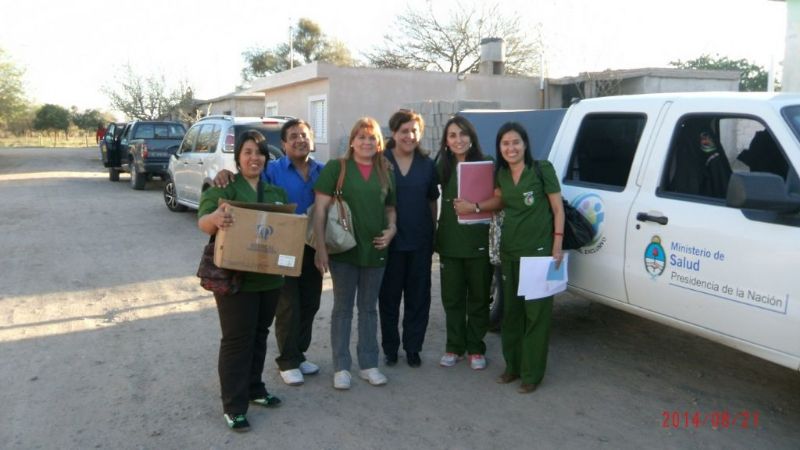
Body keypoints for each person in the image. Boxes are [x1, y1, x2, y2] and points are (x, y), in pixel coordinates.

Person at [214, 120, 324, 387]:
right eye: (293, 136)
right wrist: (224, 174)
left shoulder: (324, 170)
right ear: (284, 145)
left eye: (304, 135)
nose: (300, 140)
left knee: (310, 303)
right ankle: (287, 360)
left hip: (313, 246)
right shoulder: (272, 171)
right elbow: (247, 177)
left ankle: (298, 353)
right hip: (282, 247)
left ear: (313, 140)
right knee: (288, 305)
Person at [198, 130, 288, 432]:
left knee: (260, 334)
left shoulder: (276, 194)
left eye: (260, 152)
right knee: (237, 341)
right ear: (238, 157)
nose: (254, 158)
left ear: (266, 158)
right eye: (248, 152)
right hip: (236, 282)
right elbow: (203, 220)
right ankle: (233, 406)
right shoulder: (225, 188)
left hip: (269, 281)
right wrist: (217, 219)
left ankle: (254, 388)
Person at [467, 122, 564, 394]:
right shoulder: (501, 175)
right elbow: (498, 202)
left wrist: (557, 243)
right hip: (510, 253)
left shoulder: (542, 170)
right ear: (500, 148)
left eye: (515, 142)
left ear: (525, 144)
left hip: (539, 255)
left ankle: (532, 374)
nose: (511, 148)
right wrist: (473, 207)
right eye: (505, 143)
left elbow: (557, 208)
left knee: (536, 316)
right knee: (512, 314)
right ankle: (513, 367)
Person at [312, 117, 397, 390]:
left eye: (372, 138)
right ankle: (341, 366)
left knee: (369, 309)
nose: (367, 142)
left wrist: (392, 229)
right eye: (361, 137)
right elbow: (321, 210)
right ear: (352, 141)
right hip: (344, 250)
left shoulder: (385, 170)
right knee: (343, 309)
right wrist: (321, 250)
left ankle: (369, 364)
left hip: (376, 249)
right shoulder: (337, 168)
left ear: (379, 142)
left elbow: (390, 209)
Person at [378, 110, 439, 368]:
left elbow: (432, 201)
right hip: (389, 243)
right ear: (393, 133)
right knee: (389, 298)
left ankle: (413, 347)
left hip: (420, 242)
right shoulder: (381, 161)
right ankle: (391, 349)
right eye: (404, 131)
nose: (409, 136)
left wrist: (433, 232)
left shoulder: (427, 164)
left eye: (414, 131)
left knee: (418, 298)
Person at [435, 115, 493, 371]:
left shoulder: (487, 164)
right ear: (446, 141)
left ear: (471, 136)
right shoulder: (440, 167)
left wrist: (475, 207)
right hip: (450, 244)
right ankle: (454, 346)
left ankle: (476, 348)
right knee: (452, 298)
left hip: (479, 243)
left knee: (479, 297)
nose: (459, 140)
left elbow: (500, 199)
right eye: (452, 135)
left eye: (463, 134)